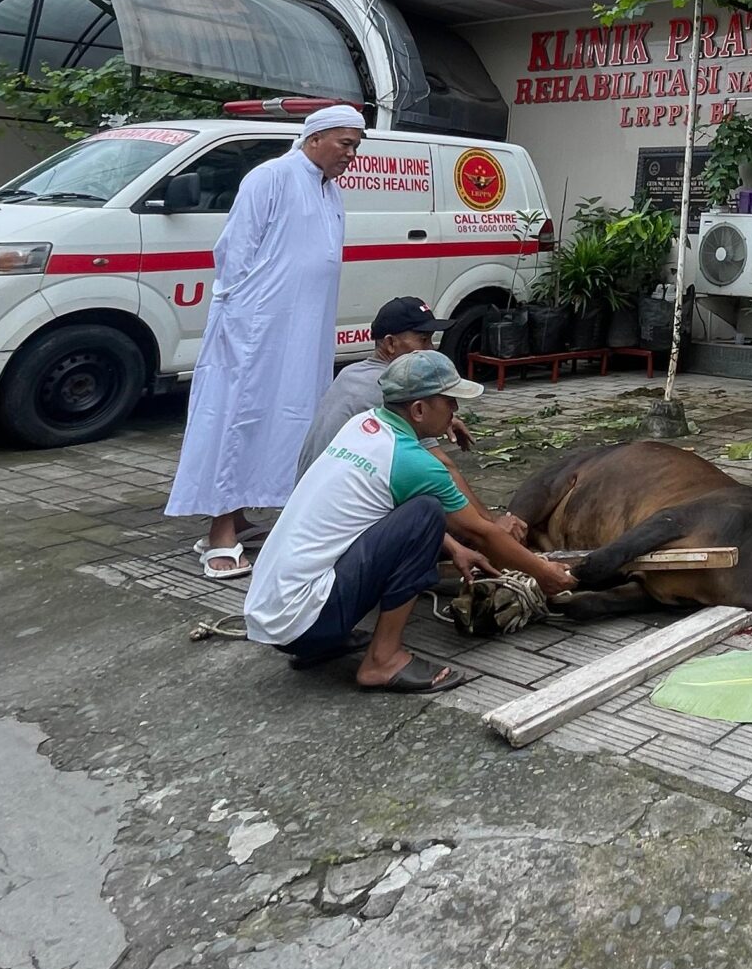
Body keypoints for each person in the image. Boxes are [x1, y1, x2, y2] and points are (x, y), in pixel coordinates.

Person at [243, 350, 576, 693]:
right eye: (449, 402)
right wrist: (543, 572)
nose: (456, 412)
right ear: (419, 410)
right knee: (427, 513)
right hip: (305, 621)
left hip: (277, 615)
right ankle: (383, 660)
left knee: (420, 515)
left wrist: (453, 547)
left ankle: (325, 641)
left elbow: (384, 512)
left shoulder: (364, 426)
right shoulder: (412, 461)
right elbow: (484, 534)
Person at [165, 104, 367, 579]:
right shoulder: (271, 177)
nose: (351, 155)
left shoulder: (328, 190)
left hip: (300, 335)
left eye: (356, 146)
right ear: (315, 138)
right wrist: (239, 322)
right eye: (346, 143)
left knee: (285, 418)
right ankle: (218, 535)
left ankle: (238, 516)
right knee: (238, 417)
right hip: (254, 332)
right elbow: (234, 253)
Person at [302, 296, 460, 464]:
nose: (431, 349)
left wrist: (444, 418)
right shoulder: (390, 388)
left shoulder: (351, 373)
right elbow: (442, 464)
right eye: (423, 340)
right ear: (390, 343)